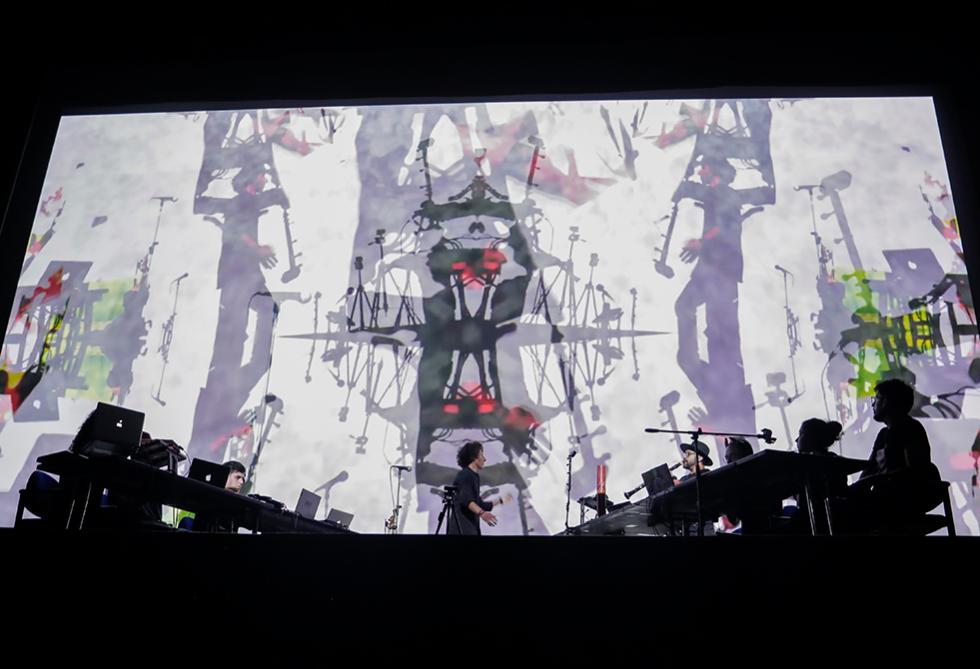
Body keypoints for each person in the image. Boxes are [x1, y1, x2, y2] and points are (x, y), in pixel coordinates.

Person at [448, 441, 507, 535]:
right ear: (474, 457)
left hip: (471, 529)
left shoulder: (474, 476)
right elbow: (466, 499)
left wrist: (501, 500)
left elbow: (479, 503)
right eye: (481, 455)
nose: (485, 459)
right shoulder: (465, 475)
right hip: (462, 529)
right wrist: (482, 513)